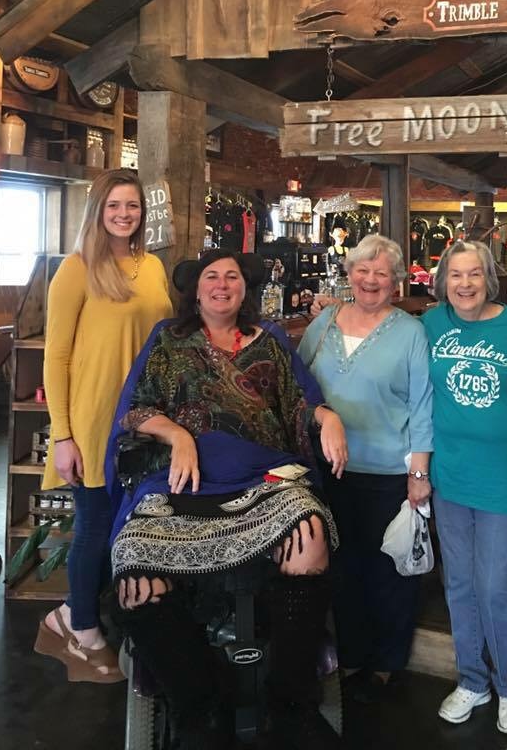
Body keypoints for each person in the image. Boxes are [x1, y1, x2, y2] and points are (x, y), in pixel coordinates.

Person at [109, 249, 348, 750]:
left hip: (263, 478)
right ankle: (198, 707)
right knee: (135, 569)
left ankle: (291, 703)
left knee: (309, 535)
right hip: (183, 483)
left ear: (245, 288)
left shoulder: (271, 341)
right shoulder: (168, 340)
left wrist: (328, 418)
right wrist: (177, 434)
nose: (222, 285)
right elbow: (136, 409)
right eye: (211, 277)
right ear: (195, 291)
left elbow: (301, 402)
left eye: (232, 277)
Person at [34, 169, 172, 683]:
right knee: (95, 522)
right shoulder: (76, 269)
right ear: (98, 211)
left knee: (127, 522)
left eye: (131, 206)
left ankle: (74, 613)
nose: (123, 214)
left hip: (145, 415)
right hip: (94, 417)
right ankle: (82, 627)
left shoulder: (152, 266)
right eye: (113, 205)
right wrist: (63, 435)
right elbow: (56, 357)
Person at [298, 234, 433, 701]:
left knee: (389, 572)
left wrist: (419, 474)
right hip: (327, 471)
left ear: (396, 282)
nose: (371, 280)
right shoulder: (324, 323)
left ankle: (387, 662)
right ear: (349, 274)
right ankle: (352, 654)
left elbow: (422, 405)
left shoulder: (410, 332)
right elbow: (297, 383)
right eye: (362, 270)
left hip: (388, 472)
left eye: (382, 273)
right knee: (342, 568)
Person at [421, 241, 507, 735]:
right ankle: (472, 680)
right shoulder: (430, 324)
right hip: (449, 477)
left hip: (502, 479)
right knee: (459, 584)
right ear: (442, 281)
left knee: (495, 586)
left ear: (489, 279)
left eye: (474, 274)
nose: (465, 284)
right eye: (455, 275)